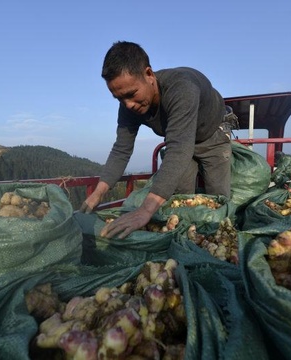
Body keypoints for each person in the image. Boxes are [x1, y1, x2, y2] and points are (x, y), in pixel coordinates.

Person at [80, 41, 234, 239]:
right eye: (119, 99)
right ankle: (187, 241)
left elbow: (179, 149)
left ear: (149, 75)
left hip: (211, 134)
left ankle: (217, 241)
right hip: (180, 142)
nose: (128, 105)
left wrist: (145, 211)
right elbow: (121, 149)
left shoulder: (181, 88)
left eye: (131, 95)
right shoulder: (128, 105)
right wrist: (98, 193)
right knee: (180, 199)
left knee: (217, 199)